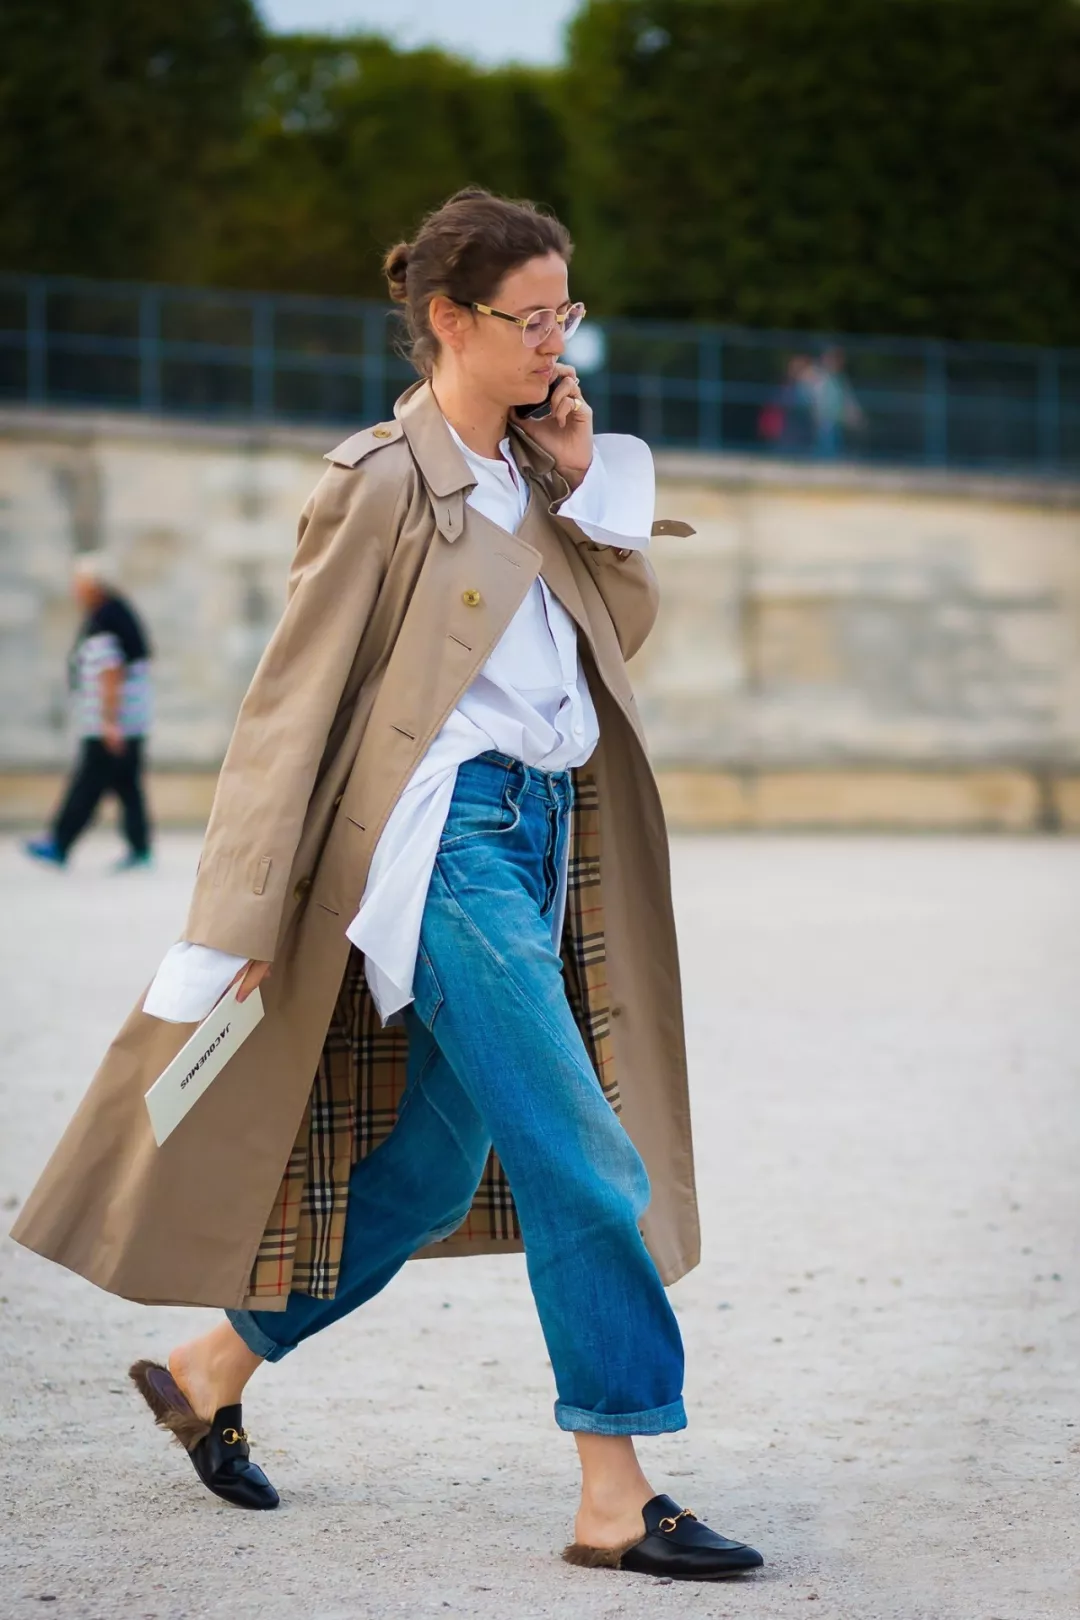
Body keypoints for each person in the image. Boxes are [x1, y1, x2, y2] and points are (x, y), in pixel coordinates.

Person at [11, 189, 764, 1583]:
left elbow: (619, 631)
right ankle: (615, 1493)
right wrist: (236, 920)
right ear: (448, 320)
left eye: (566, 312)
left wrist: (584, 482)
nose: (556, 341)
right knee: (581, 1155)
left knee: (426, 1175)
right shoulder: (377, 483)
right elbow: (285, 709)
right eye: (529, 318)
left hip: (544, 831)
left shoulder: (536, 467)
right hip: (445, 840)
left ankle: (212, 1366)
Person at [23, 554, 153, 871]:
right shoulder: (117, 614)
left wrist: (109, 722)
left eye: (79, 583)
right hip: (129, 723)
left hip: (110, 725)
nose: (75, 590)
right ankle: (140, 848)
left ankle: (60, 842)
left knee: (87, 786)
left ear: (94, 586)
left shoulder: (104, 621)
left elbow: (110, 672)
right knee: (127, 785)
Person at [806, 347, 865, 459]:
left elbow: (846, 399)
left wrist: (854, 414)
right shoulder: (820, 377)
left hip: (836, 418)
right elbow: (815, 398)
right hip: (825, 418)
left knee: (832, 444)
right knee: (826, 444)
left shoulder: (839, 379)